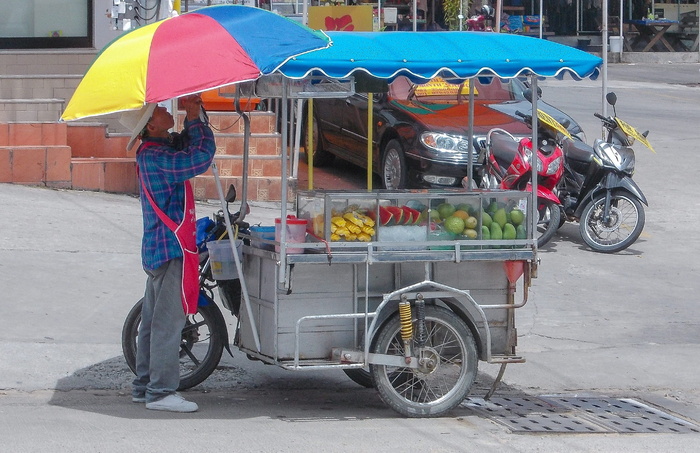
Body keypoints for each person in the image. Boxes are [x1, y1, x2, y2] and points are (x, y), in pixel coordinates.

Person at [119, 94, 216, 412]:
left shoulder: (156, 149)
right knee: (167, 323)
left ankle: (144, 385)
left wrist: (192, 116)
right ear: (149, 125)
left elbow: (183, 143)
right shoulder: (156, 156)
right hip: (169, 248)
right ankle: (160, 393)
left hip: (160, 248)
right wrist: (193, 115)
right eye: (158, 110)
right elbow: (199, 157)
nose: (164, 109)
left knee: (151, 322)